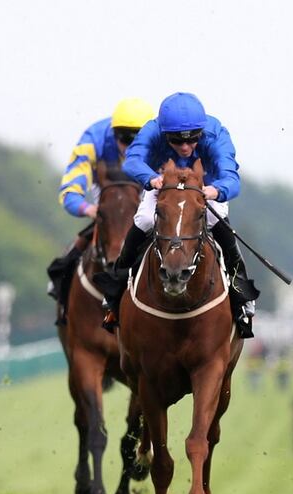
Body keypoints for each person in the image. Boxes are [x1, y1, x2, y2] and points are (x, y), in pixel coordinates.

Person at [100, 92, 259, 338]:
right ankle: (114, 295)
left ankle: (242, 299)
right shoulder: (152, 131)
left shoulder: (216, 134)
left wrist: (217, 189)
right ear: (164, 133)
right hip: (165, 188)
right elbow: (132, 161)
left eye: (192, 139)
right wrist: (150, 178)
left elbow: (231, 177)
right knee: (143, 220)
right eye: (176, 140)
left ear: (201, 131)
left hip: (205, 189)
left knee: (216, 221)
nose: (185, 147)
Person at [47, 98, 155, 321]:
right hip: (107, 192)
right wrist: (91, 209)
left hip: (147, 189)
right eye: (125, 139)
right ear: (113, 133)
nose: (131, 147)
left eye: (138, 140)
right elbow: (70, 192)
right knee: (114, 212)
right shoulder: (93, 140)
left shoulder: (160, 142)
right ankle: (62, 285)